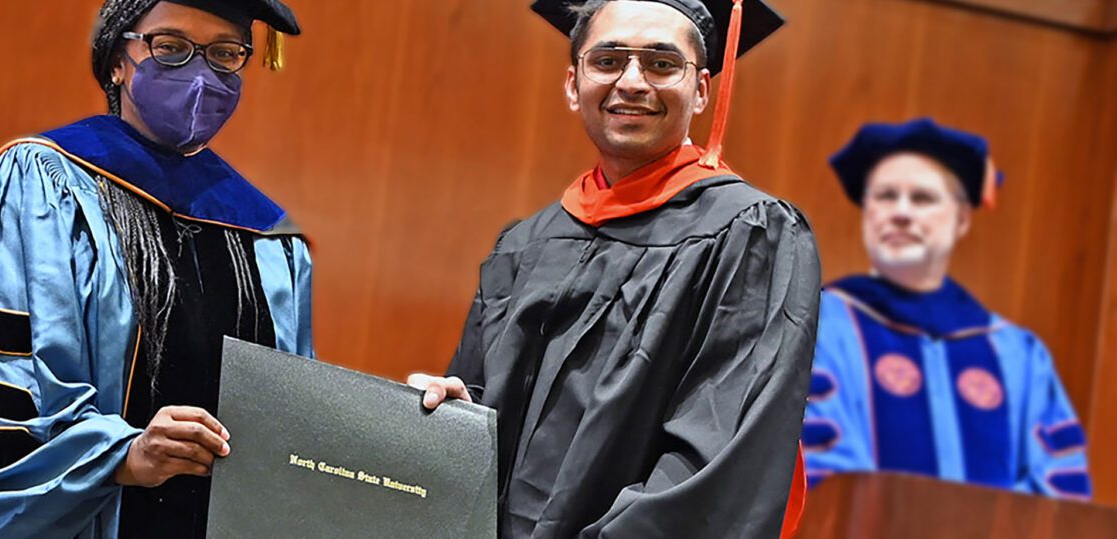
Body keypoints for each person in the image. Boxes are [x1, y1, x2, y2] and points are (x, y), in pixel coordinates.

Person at [0, 1, 313, 536]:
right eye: (169, 48)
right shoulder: (39, 186)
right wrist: (121, 457)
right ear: (118, 59)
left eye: (224, 53)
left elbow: (287, 437)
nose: (200, 75)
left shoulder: (267, 238)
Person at [410, 0, 818, 536]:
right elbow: (481, 403)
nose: (631, 81)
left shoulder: (749, 235)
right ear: (573, 84)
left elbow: (716, 460)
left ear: (700, 91)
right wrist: (450, 423)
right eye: (606, 60)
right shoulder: (525, 244)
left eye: (661, 64)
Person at [802, 118, 1092, 500]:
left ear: (962, 219)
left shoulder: (1017, 354)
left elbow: (1058, 489)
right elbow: (822, 474)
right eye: (885, 196)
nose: (901, 212)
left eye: (922, 198)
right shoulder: (822, 326)